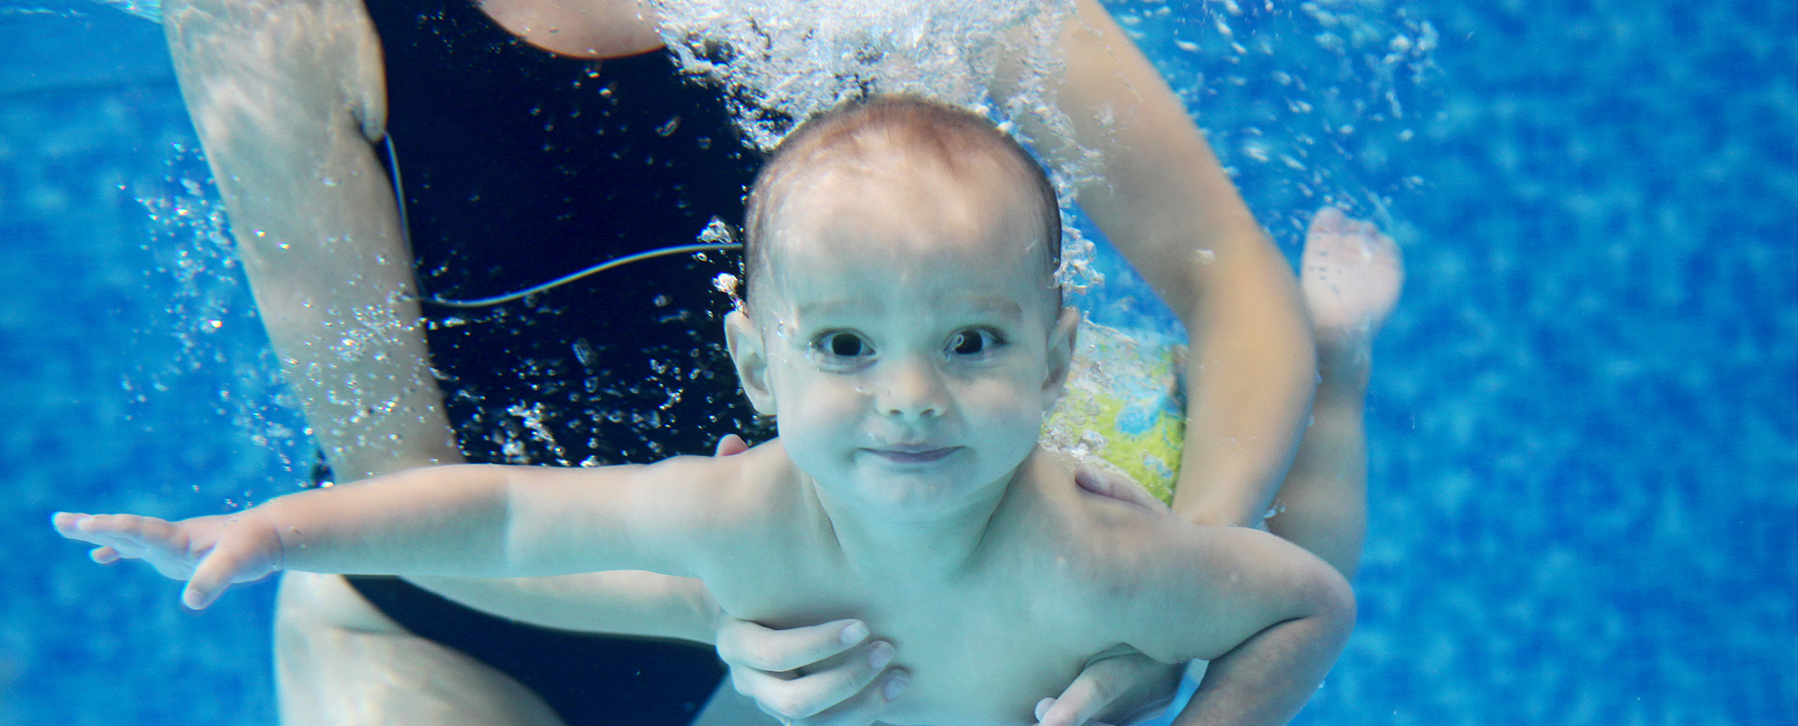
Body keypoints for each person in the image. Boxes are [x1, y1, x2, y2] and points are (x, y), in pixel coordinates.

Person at [157, 0, 1322, 723]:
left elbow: (1233, 289)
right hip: (441, 633)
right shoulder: (267, 16)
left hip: (852, 623)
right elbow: (394, 476)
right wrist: (716, 612)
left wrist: (1165, 590)